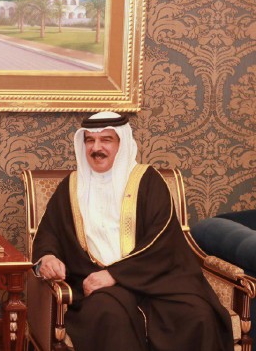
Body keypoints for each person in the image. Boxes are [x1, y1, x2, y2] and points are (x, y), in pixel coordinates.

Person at [32, 111, 233, 351]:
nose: (96, 148)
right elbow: (49, 233)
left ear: (122, 143)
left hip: (155, 280)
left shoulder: (148, 181)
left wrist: (116, 274)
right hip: (93, 283)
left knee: (197, 315)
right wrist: (48, 257)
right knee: (110, 315)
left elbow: (162, 242)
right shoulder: (71, 187)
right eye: (90, 140)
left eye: (106, 140)